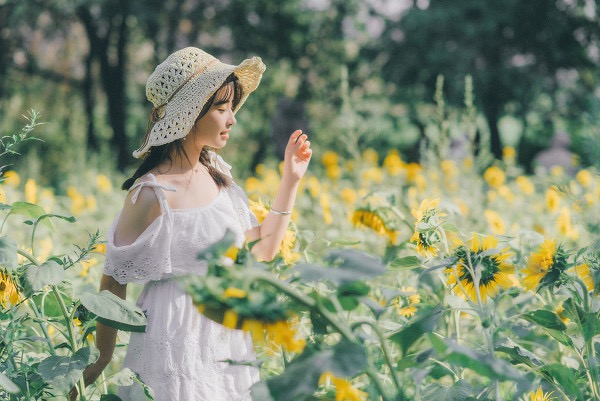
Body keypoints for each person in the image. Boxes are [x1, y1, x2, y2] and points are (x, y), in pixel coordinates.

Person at [71, 47, 312, 401]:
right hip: (172, 337)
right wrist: (101, 358)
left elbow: (262, 250)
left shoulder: (218, 176)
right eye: (221, 108)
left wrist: (290, 180)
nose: (232, 119)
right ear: (190, 113)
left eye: (231, 108)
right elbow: (113, 279)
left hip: (224, 336)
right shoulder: (151, 193)